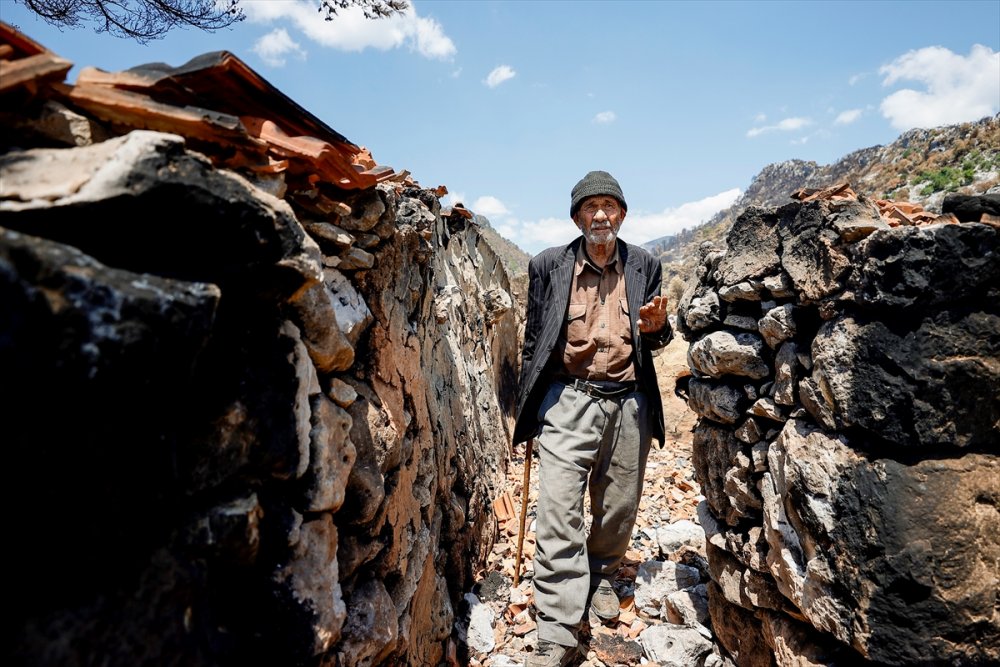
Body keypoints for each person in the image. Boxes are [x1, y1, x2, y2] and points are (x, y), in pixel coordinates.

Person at [513, 170, 672, 667]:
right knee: (559, 508)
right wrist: (531, 405)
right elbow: (534, 340)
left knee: (619, 504)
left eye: (610, 206)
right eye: (591, 206)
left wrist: (659, 329)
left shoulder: (646, 264)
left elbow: (658, 339)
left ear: (621, 214)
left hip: (629, 401)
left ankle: (603, 573)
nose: (601, 214)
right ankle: (557, 630)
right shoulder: (547, 265)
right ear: (578, 215)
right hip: (569, 398)